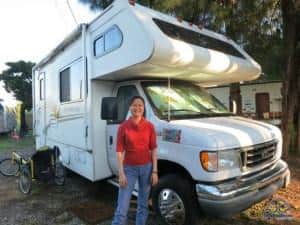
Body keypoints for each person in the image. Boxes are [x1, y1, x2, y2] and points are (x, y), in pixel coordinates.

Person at [112, 96, 158, 225]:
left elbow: (154, 149)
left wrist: (154, 171)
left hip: (147, 168)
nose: (137, 108)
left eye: (140, 105)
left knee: (143, 204)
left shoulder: (149, 126)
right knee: (122, 206)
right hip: (129, 169)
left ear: (144, 108)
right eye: (134, 105)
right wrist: (121, 173)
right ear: (130, 107)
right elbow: (119, 151)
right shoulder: (123, 127)